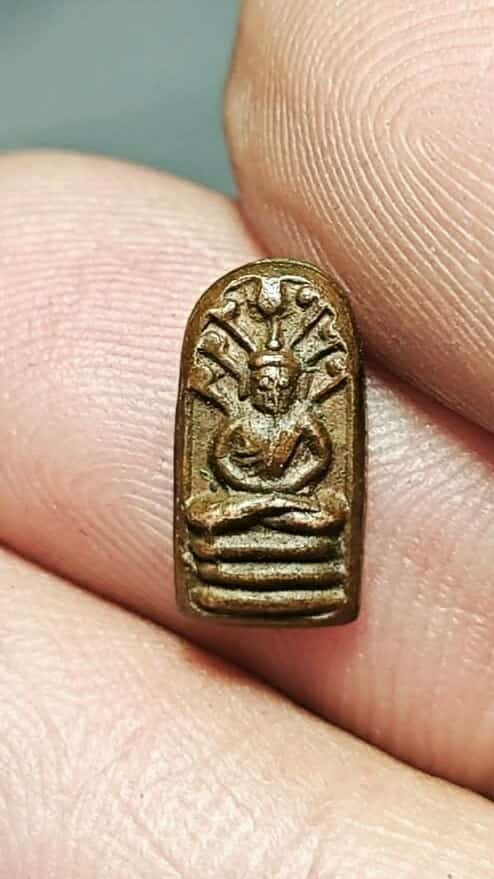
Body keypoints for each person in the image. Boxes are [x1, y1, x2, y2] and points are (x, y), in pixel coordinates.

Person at [1, 1, 493, 875]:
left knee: (319, 513)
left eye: (277, 382)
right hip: (245, 512)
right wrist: (252, 496)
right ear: (251, 382)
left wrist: (283, 494)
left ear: (291, 380)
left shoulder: (300, 417)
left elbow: (316, 475)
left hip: (291, 515)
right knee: (209, 511)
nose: (268, 390)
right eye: (260, 382)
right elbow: (223, 470)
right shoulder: (242, 416)